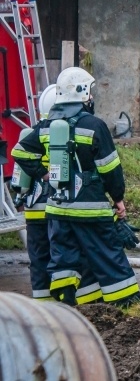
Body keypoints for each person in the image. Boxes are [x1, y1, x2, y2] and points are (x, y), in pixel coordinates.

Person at [12, 67, 140, 306]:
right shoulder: (94, 125)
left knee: (65, 260)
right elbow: (110, 169)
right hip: (91, 208)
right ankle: (128, 305)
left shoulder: (47, 126)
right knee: (107, 255)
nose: (91, 97)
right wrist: (118, 199)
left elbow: (19, 151)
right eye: (89, 91)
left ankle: (69, 306)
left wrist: (43, 174)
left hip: (57, 211)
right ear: (82, 93)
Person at [12, 84, 102, 304]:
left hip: (34, 207)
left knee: (39, 258)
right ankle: (79, 304)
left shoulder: (36, 130)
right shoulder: (64, 131)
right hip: (57, 205)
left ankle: (44, 306)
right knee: (69, 255)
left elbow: (20, 156)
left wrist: (41, 174)